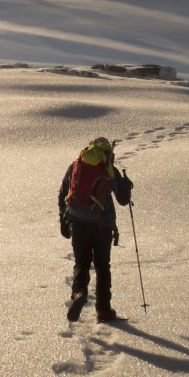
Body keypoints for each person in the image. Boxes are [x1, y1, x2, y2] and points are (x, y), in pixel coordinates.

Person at [58, 137, 132, 322]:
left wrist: (63, 221)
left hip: (77, 221)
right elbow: (123, 199)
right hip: (102, 224)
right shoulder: (109, 169)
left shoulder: (77, 165)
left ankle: (78, 293)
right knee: (102, 266)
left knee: (82, 264)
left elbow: (63, 193)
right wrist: (125, 182)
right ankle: (104, 311)